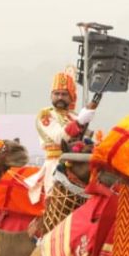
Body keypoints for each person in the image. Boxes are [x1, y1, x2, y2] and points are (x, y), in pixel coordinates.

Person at [28, 70, 95, 200]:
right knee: (56, 200)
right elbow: (59, 138)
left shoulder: (74, 116)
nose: (60, 97)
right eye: (56, 94)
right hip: (55, 164)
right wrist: (80, 122)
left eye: (64, 94)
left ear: (71, 97)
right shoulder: (46, 114)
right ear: (51, 96)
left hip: (77, 164)